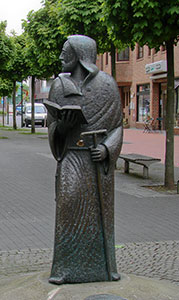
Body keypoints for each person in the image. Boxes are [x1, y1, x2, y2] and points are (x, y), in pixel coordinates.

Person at [46, 35, 123, 284]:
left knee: (98, 215)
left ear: (79, 54)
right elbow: (52, 126)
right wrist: (62, 127)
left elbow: (118, 127)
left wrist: (107, 149)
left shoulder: (107, 85)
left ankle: (102, 269)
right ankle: (65, 269)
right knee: (68, 207)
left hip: (97, 161)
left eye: (64, 51)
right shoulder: (59, 86)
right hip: (71, 158)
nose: (60, 56)